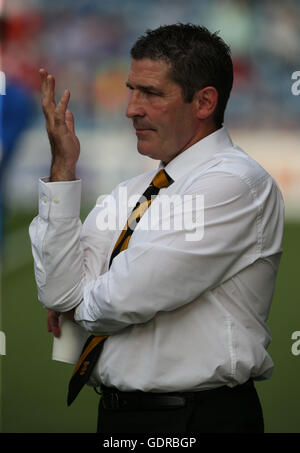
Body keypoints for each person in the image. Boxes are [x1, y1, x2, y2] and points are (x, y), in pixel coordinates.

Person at [29, 23, 284, 433]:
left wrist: (77, 308)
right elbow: (58, 290)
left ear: (204, 102)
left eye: (150, 93)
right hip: (119, 415)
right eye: (132, 89)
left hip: (199, 418)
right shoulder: (131, 191)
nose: (131, 107)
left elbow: (122, 300)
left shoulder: (236, 184)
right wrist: (63, 169)